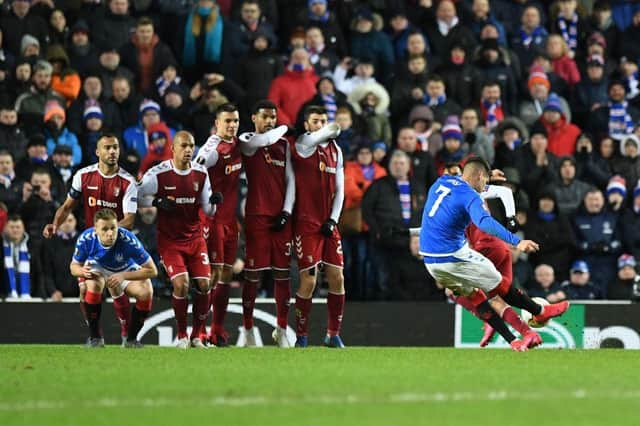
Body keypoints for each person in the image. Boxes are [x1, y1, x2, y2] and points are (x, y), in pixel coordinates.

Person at [419, 157, 569, 351]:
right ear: (480, 176)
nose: (484, 189)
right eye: (484, 182)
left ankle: (513, 340)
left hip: (431, 263)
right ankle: (539, 311)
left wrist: (488, 177)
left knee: (475, 296)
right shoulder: (470, 196)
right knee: (500, 288)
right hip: (455, 255)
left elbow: (465, 177)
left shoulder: (442, 182)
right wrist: (517, 241)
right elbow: (484, 222)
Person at [43, 134, 138, 344]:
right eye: (107, 148)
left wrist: (108, 231)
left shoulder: (127, 181)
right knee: (86, 287)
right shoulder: (83, 176)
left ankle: (125, 332)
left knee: (116, 287)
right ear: (98, 152)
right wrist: (55, 224)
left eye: (115, 148)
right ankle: (95, 336)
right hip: (92, 245)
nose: (112, 152)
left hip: (118, 244)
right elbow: (68, 206)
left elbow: (130, 219)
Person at [138, 131, 219, 349]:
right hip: (170, 241)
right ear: (173, 148)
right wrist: (156, 202)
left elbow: (208, 209)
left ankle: (197, 336)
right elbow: (135, 196)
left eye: (191, 146)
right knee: (181, 285)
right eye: (183, 146)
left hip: (195, 238)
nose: (188, 150)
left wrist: (215, 202)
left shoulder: (201, 173)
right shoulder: (158, 174)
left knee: (204, 284)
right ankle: (182, 335)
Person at [237, 100, 293, 346]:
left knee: (283, 274)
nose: (270, 121)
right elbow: (262, 141)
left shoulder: (284, 145)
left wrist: (287, 211)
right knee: (253, 275)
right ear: (254, 118)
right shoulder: (247, 140)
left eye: (273, 117)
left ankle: (281, 329)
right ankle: (247, 329)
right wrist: (284, 127)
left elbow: (291, 179)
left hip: (279, 216)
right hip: (256, 215)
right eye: (265, 117)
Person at [291, 105, 345, 348]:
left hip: (328, 223)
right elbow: (334, 129)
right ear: (306, 125)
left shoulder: (336, 150)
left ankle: (332, 334)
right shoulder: (303, 144)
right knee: (309, 281)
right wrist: (331, 127)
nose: (320, 124)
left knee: (337, 278)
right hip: (306, 223)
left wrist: (333, 219)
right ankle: (301, 335)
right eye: (315, 121)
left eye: (323, 120)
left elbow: (340, 189)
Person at [70, 208, 157, 348]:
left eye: (113, 228)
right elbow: (73, 267)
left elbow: (152, 270)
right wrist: (81, 272)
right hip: (98, 267)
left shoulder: (128, 239)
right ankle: (95, 338)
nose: (110, 233)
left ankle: (131, 339)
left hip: (124, 268)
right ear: (95, 230)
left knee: (146, 292)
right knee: (89, 286)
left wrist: (123, 276)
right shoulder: (86, 238)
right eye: (104, 229)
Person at [193, 103, 242, 347]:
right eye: (227, 121)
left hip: (230, 220)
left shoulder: (238, 144)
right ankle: (199, 332)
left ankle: (218, 330)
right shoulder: (212, 147)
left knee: (226, 274)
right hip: (212, 219)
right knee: (210, 276)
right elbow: (196, 168)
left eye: (235, 121)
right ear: (217, 123)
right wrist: (209, 196)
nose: (232, 125)